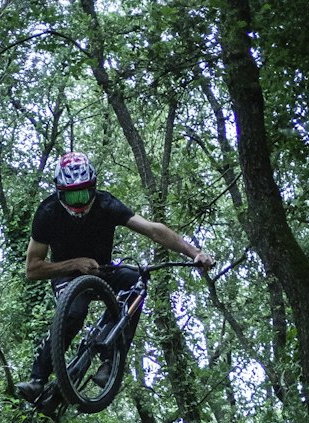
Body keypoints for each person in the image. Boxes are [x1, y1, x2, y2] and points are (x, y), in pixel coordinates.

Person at [15, 151, 216, 403]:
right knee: (74, 314)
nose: (78, 202)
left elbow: (154, 230)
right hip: (66, 275)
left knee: (136, 279)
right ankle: (38, 379)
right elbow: (32, 269)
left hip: (103, 271)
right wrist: (75, 263)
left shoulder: (106, 204)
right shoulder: (47, 213)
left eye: (84, 193)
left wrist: (194, 252)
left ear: (94, 188)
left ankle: (110, 359)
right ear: (59, 191)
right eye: (71, 195)